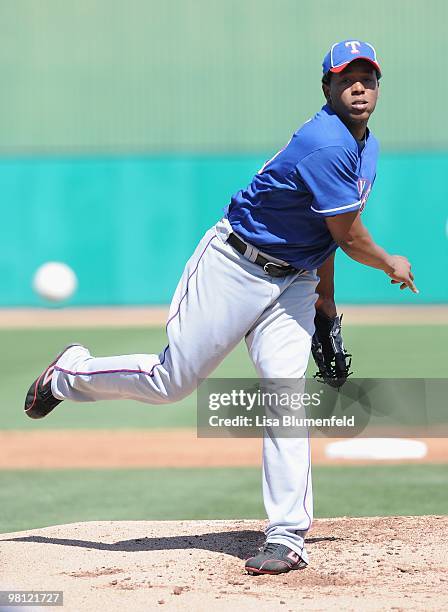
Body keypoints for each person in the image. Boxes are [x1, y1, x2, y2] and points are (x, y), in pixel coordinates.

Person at [24, 39, 417, 576]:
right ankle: (71, 372)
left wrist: (325, 298)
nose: (359, 87)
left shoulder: (366, 146)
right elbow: (349, 237)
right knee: (171, 382)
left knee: (285, 390)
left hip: (296, 278)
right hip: (235, 266)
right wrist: (391, 261)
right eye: (347, 77)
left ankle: (286, 535)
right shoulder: (325, 142)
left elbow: (324, 235)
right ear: (326, 87)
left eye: (368, 78)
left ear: (378, 87)